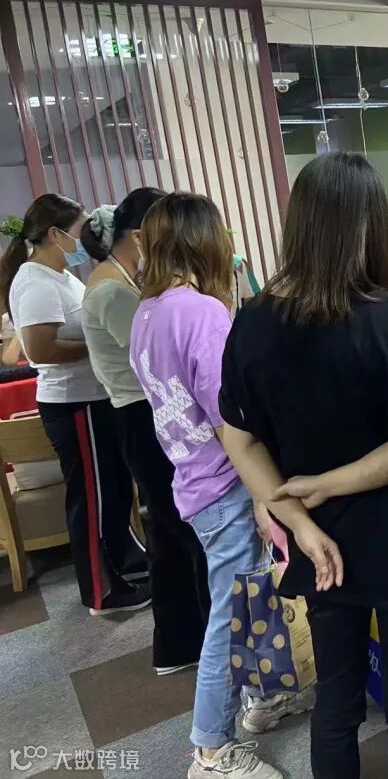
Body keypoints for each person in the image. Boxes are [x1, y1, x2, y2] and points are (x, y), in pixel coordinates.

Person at [218, 152, 388, 778]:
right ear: (370, 227)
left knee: (336, 701)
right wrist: (323, 490)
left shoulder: (254, 323)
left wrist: (301, 519)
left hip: (322, 547)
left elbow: (238, 438)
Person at [129, 193, 330, 779]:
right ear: (205, 241)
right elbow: (231, 421)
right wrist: (268, 497)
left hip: (193, 478)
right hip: (225, 482)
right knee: (231, 612)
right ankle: (211, 750)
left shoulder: (148, 312)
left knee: (253, 598)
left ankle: (263, 698)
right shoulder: (201, 313)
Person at [81, 188, 210, 674]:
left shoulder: (120, 281)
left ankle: (185, 642)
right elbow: (158, 355)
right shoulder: (113, 291)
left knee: (171, 530)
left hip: (146, 411)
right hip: (141, 413)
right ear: (140, 236)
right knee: (177, 531)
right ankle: (189, 643)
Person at [0, 193, 149, 614]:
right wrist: (99, 345)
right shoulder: (35, 282)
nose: (89, 237)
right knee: (91, 498)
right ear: (55, 233)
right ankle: (102, 591)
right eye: (81, 229)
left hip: (96, 398)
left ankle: (126, 562)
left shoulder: (64, 276)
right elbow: (40, 349)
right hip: (74, 404)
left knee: (114, 491)